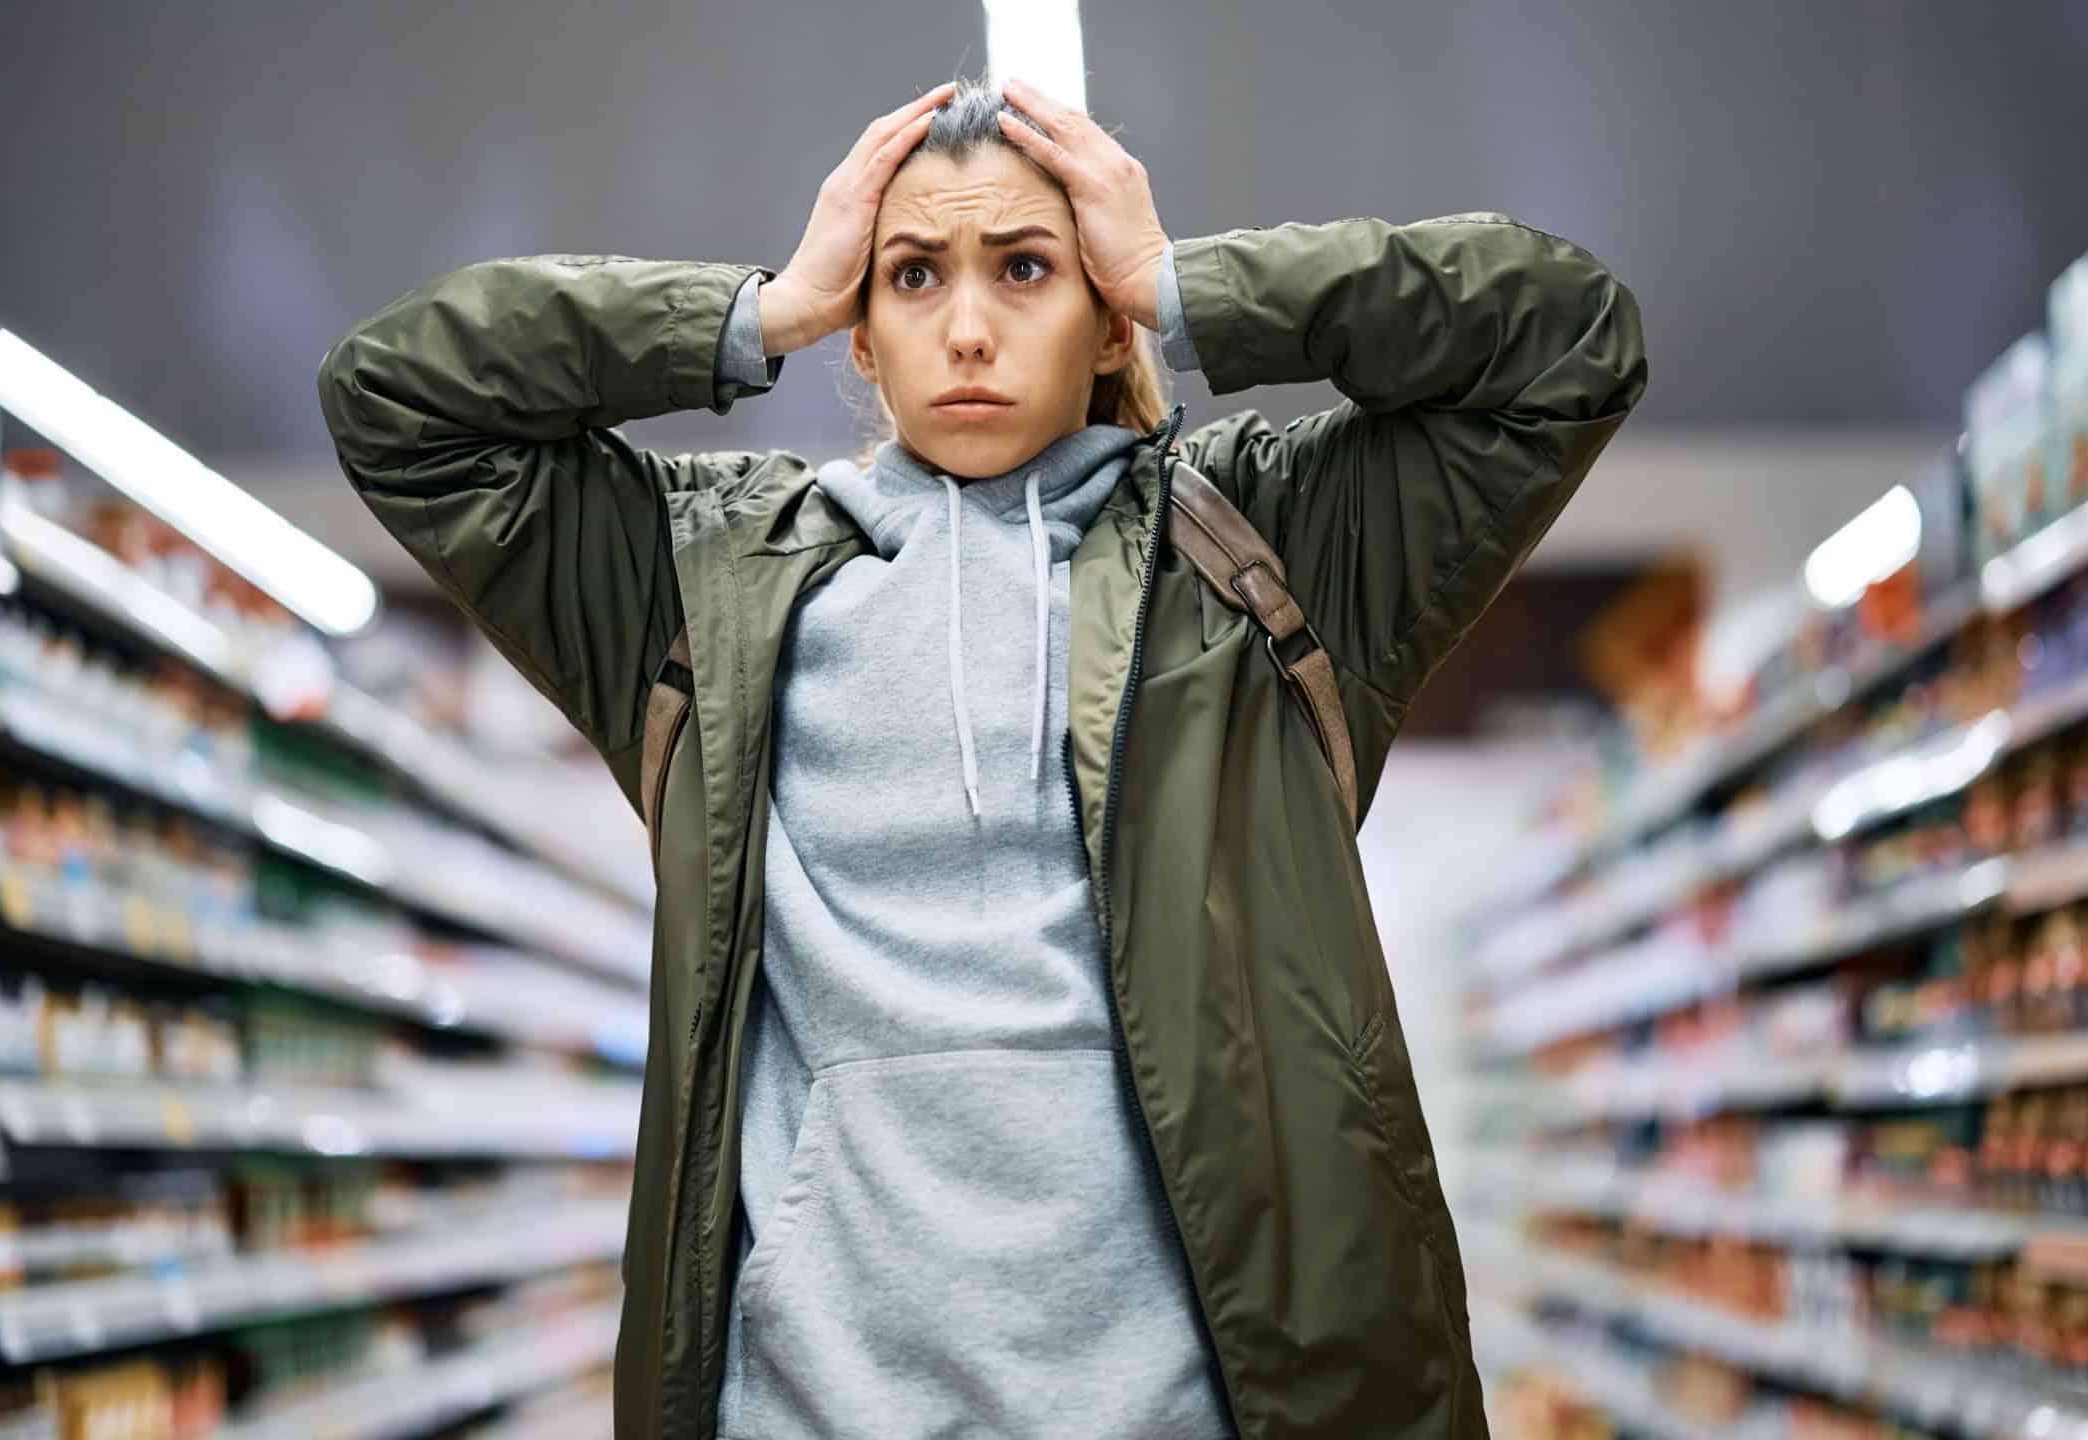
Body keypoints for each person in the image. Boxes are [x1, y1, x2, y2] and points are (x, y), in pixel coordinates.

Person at [321, 76, 1644, 1440]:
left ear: (1103, 314)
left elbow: (1566, 341)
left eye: (1025, 268)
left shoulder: (1267, 552)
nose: (965, 326)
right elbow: (394, 400)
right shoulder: (704, 583)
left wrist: (1192, 286)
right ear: (864, 332)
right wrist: (759, 311)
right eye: (911, 276)